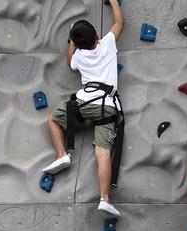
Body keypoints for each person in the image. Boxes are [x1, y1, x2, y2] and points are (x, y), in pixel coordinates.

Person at [42, 0, 125, 217]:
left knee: (52, 119)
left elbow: (70, 61)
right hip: (107, 105)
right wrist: (114, 2)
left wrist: (72, 42)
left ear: (78, 45)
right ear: (97, 35)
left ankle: (62, 154)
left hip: (84, 102)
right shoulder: (107, 43)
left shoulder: (78, 55)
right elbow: (119, 22)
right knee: (102, 152)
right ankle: (104, 198)